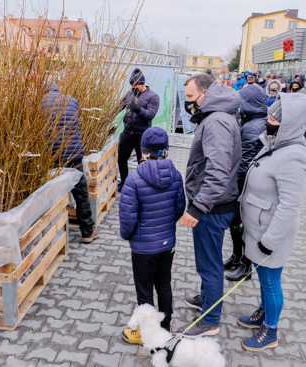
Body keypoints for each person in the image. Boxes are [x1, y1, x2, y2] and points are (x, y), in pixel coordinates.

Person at [237, 94, 306, 352]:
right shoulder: (275, 143)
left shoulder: (294, 156)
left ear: (289, 124)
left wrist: (270, 240)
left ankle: (270, 330)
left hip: (271, 233)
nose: (268, 122)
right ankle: (262, 311)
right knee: (263, 277)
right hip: (259, 227)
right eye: (269, 115)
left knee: (270, 281)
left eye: (274, 119)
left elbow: (290, 205)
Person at [178, 73, 241, 338]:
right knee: (208, 262)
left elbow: (218, 171)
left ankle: (210, 321)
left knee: (209, 264)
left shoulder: (216, 122)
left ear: (206, 94)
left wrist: (198, 206)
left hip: (212, 208)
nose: (188, 103)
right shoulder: (216, 117)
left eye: (191, 97)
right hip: (215, 203)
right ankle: (207, 298)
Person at [119, 127, 186, 344]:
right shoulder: (176, 176)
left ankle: (146, 334)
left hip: (143, 248)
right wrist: (165, 225)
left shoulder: (134, 179)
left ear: (142, 151)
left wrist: (128, 235)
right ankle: (166, 326)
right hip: (167, 244)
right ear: (166, 150)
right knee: (164, 284)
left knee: (144, 291)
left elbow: (128, 219)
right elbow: (179, 208)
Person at [43, 83, 99, 243]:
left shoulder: (38, 102)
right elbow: (76, 125)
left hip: (51, 156)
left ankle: (54, 235)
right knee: (81, 194)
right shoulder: (72, 101)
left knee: (52, 194)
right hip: (73, 153)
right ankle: (88, 232)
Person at [224, 82, 267, 282]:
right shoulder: (254, 121)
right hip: (247, 186)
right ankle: (236, 256)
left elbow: (244, 163)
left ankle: (245, 265)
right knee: (236, 224)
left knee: (242, 226)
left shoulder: (252, 127)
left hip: (245, 187)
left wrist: (233, 187)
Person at [117, 68, 160, 192]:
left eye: (135, 85)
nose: (133, 87)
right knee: (121, 159)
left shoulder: (153, 97)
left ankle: (142, 186)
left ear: (142, 84)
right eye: (131, 85)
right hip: (127, 133)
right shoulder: (129, 94)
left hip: (142, 135)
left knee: (142, 162)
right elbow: (118, 107)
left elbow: (150, 114)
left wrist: (138, 109)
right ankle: (124, 181)